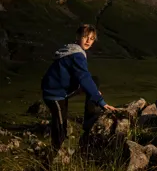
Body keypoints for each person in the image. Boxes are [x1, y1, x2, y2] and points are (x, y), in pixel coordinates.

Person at [41, 24, 116, 152]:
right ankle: (54, 156)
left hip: (61, 90)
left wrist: (85, 89)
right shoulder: (77, 55)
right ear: (78, 37)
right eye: (85, 37)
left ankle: (87, 120)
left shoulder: (72, 50)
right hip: (54, 94)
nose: (88, 41)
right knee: (60, 126)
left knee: (94, 81)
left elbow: (78, 76)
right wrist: (101, 101)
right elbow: (84, 77)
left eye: (91, 38)